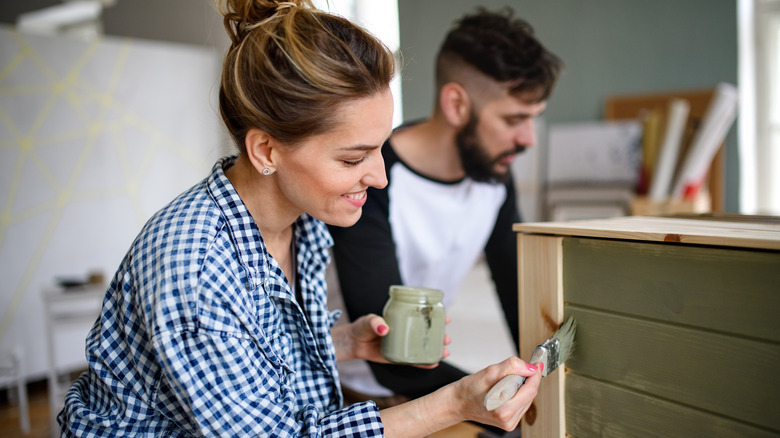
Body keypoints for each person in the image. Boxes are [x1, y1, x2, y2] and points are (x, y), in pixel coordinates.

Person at [57, 1, 542, 436]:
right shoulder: (196, 266)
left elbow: (253, 361)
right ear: (266, 150)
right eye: (354, 160)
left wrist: (343, 343)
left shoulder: (304, 223)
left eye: (380, 149)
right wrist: (455, 403)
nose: (380, 178)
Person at [328, 6, 562, 409]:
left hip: (422, 378)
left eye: (533, 119)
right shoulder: (374, 179)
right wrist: (489, 397)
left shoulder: (493, 178)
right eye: (514, 119)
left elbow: (517, 293)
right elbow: (392, 356)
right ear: (456, 104)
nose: (529, 139)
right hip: (353, 390)